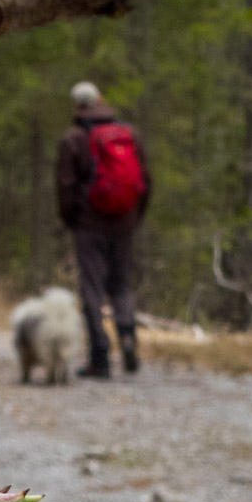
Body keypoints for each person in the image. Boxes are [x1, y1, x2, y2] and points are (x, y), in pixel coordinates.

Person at [55, 81, 150, 378]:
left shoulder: (73, 138)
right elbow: (145, 181)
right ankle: (128, 338)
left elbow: (65, 186)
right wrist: (135, 217)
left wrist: (72, 220)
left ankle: (99, 356)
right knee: (120, 285)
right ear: (99, 99)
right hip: (125, 221)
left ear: (76, 105)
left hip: (89, 225)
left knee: (92, 288)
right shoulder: (129, 134)